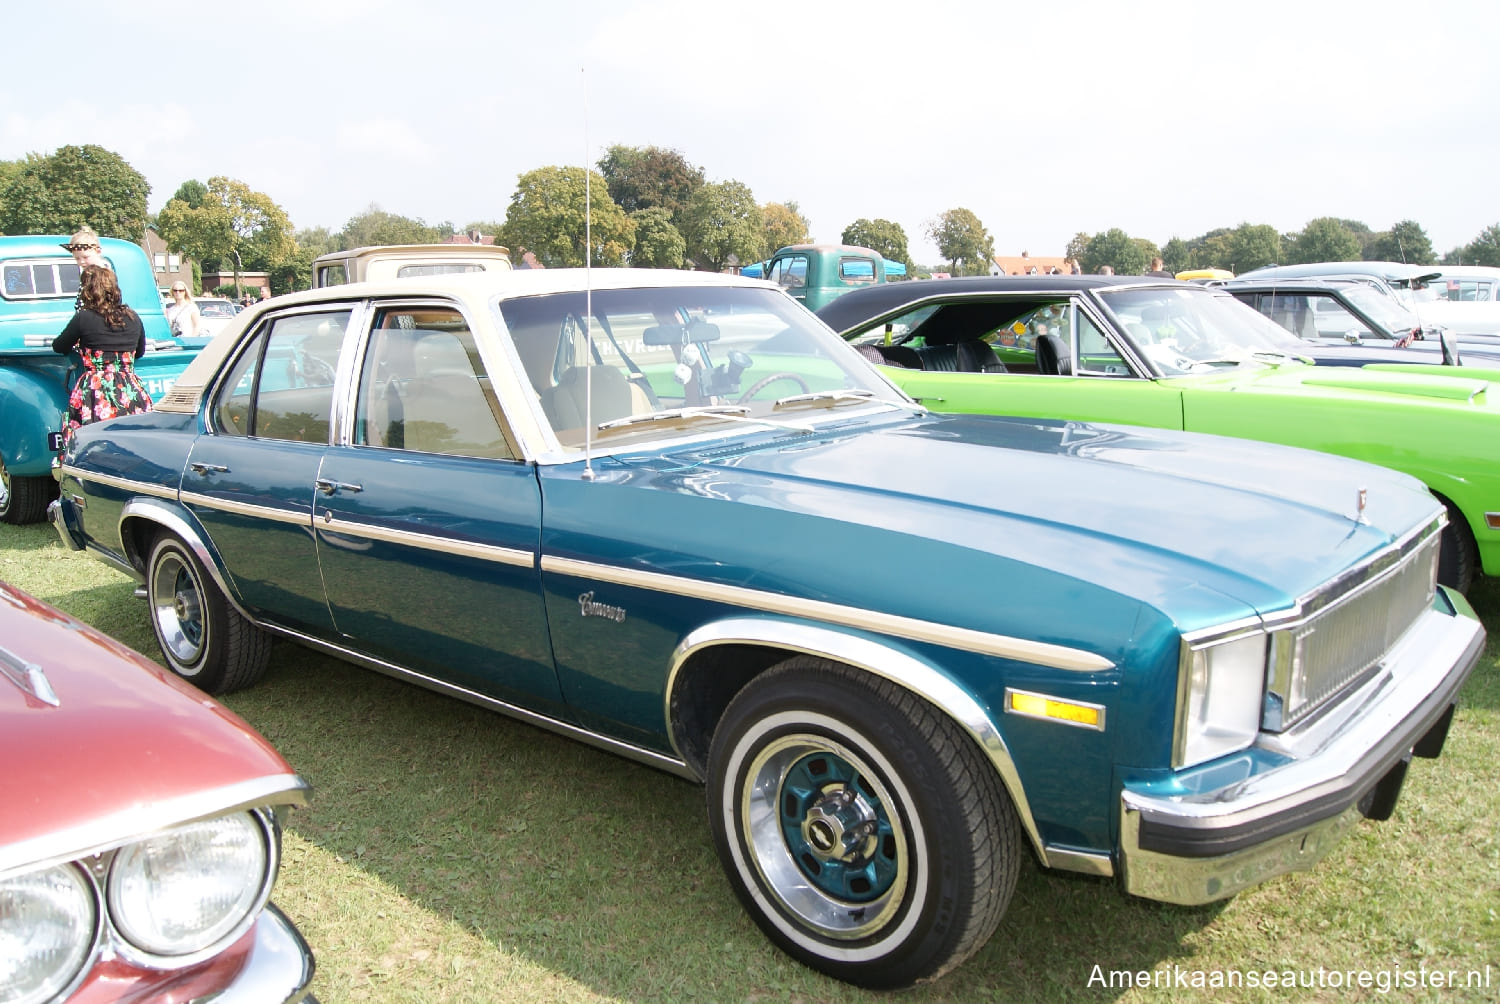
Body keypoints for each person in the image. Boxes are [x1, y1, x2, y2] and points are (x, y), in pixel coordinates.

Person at [51, 266, 153, 448]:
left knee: (93, 445)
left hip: (95, 391)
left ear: (88, 290)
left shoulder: (84, 317)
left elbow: (59, 346)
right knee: (135, 446)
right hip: (129, 388)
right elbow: (141, 351)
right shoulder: (133, 317)